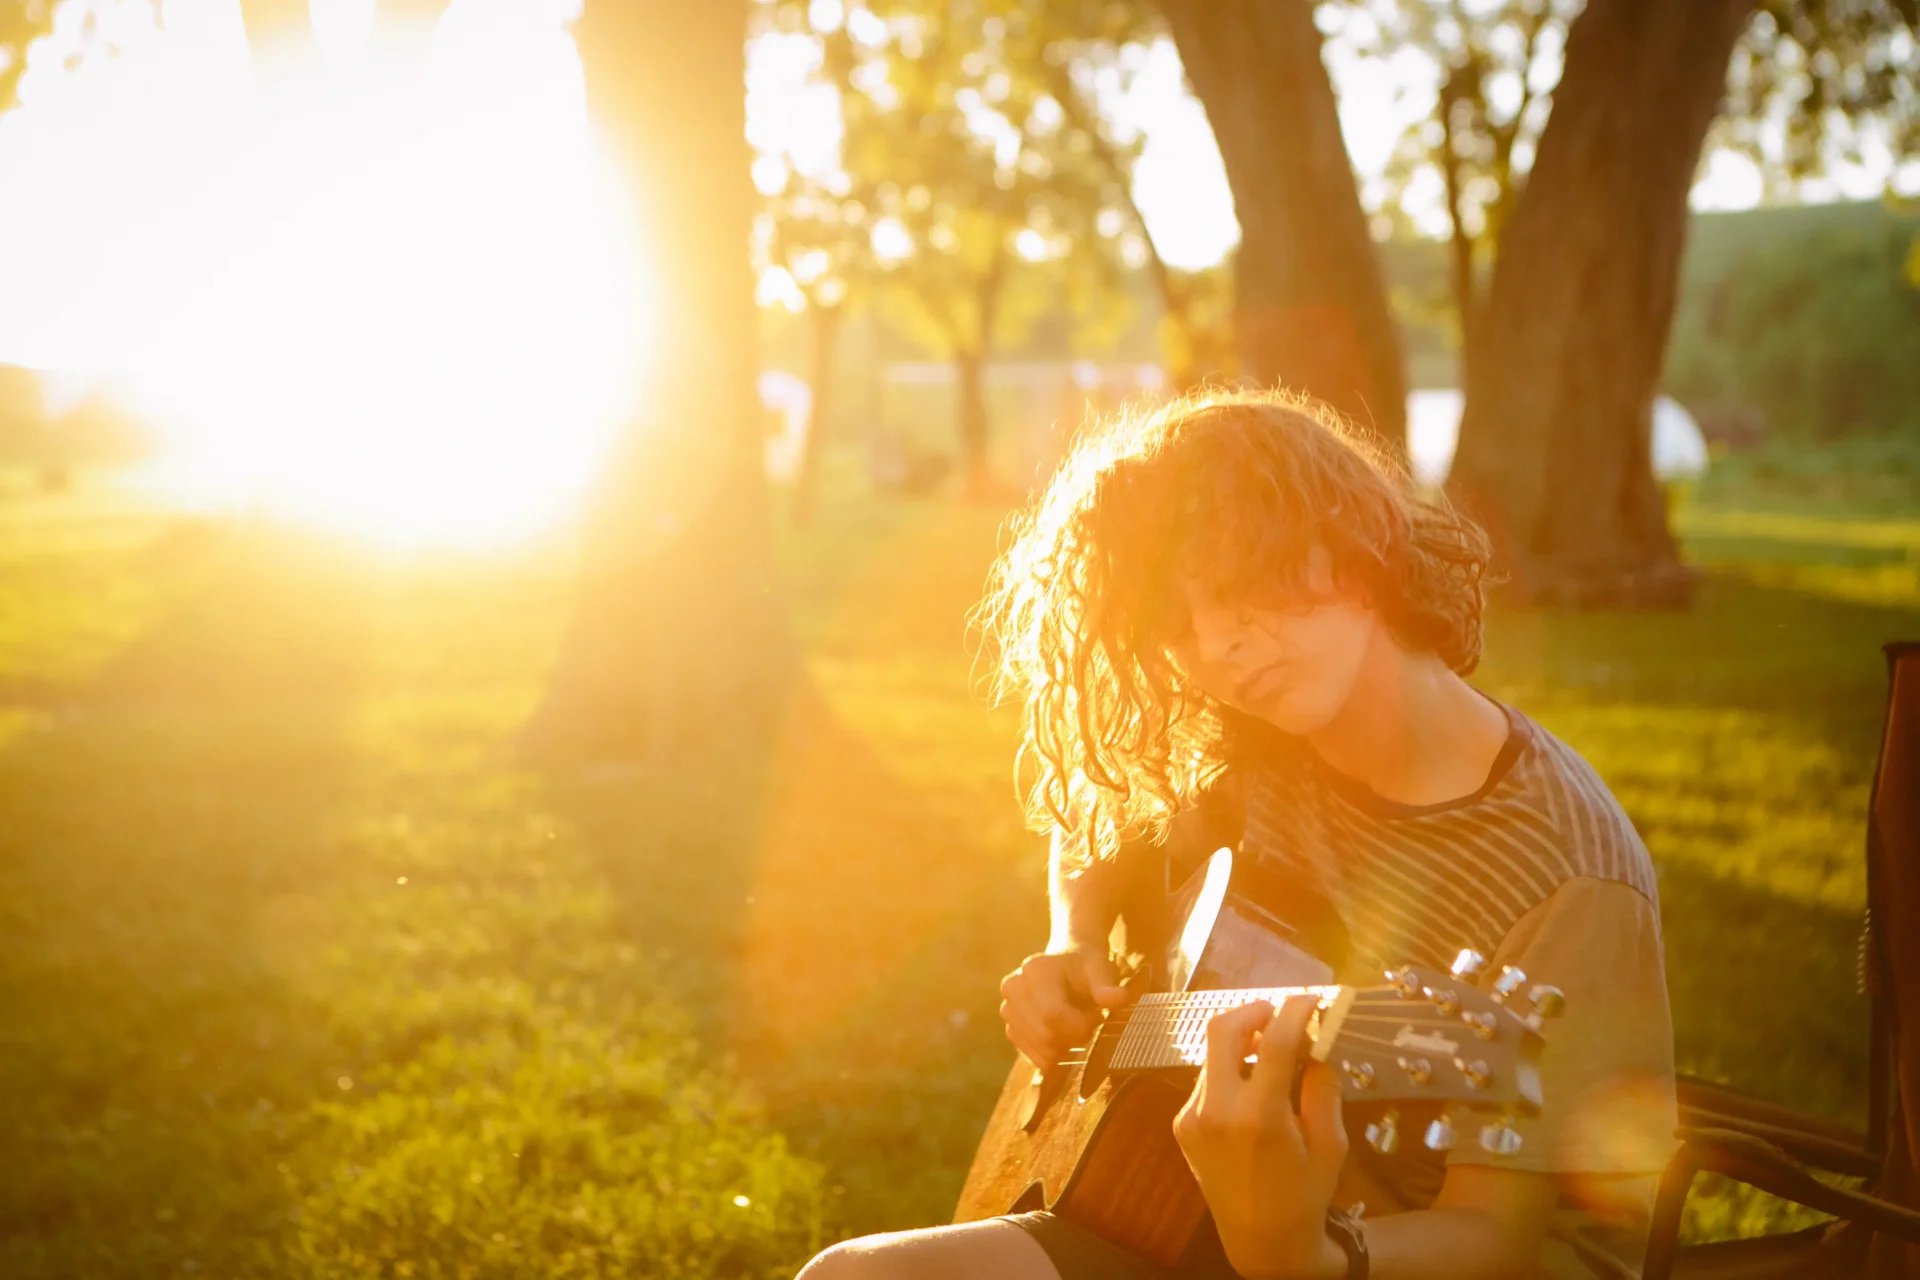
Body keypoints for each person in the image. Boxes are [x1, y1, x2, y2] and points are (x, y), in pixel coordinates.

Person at [796, 389, 1677, 1279]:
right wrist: (1074, 938)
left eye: (1240, 586)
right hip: (1171, 1204)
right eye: (1175, 622)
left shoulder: (1565, 875)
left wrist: (1306, 1254)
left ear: (1354, 543)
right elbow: (1102, 815)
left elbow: (1496, 1239)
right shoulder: (1244, 735)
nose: (1220, 647)